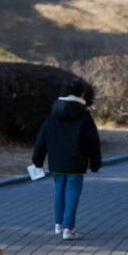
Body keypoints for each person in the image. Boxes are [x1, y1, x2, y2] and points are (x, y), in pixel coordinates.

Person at [32, 79, 102, 241]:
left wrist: (37, 160)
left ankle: (58, 223)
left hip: (56, 161)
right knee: (72, 194)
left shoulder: (53, 114)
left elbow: (42, 137)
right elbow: (92, 141)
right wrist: (95, 162)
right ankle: (69, 227)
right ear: (81, 94)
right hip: (77, 161)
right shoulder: (84, 116)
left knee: (59, 191)